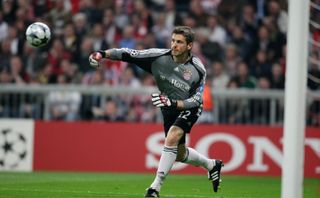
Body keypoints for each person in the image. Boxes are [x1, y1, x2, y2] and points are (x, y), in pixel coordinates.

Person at [88, 26, 223, 198]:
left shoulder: (198, 69)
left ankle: (154, 188)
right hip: (167, 106)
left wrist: (175, 103)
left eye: (179, 42)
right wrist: (101, 54)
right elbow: (127, 53)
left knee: (172, 136)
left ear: (189, 46)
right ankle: (211, 165)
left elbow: (197, 99)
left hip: (189, 107)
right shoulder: (158, 56)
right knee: (179, 154)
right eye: (173, 40)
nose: (174, 45)